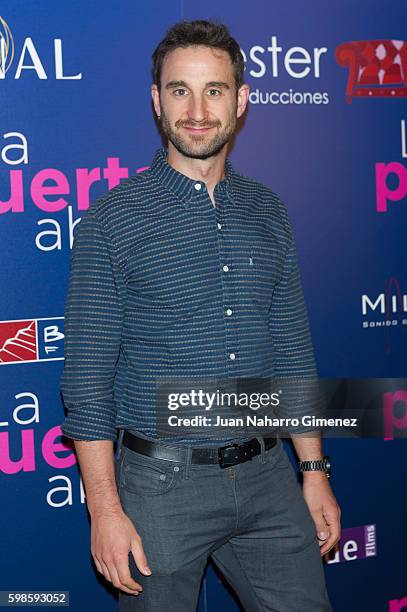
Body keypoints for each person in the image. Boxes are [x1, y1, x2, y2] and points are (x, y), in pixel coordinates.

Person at [60, 19, 340, 612]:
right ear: (156, 100)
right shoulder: (113, 221)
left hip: (268, 476)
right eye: (179, 89)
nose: (196, 109)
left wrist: (313, 469)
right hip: (161, 489)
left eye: (214, 90)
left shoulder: (268, 210)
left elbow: (291, 349)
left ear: (240, 101)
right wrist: (105, 511)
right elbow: (86, 383)